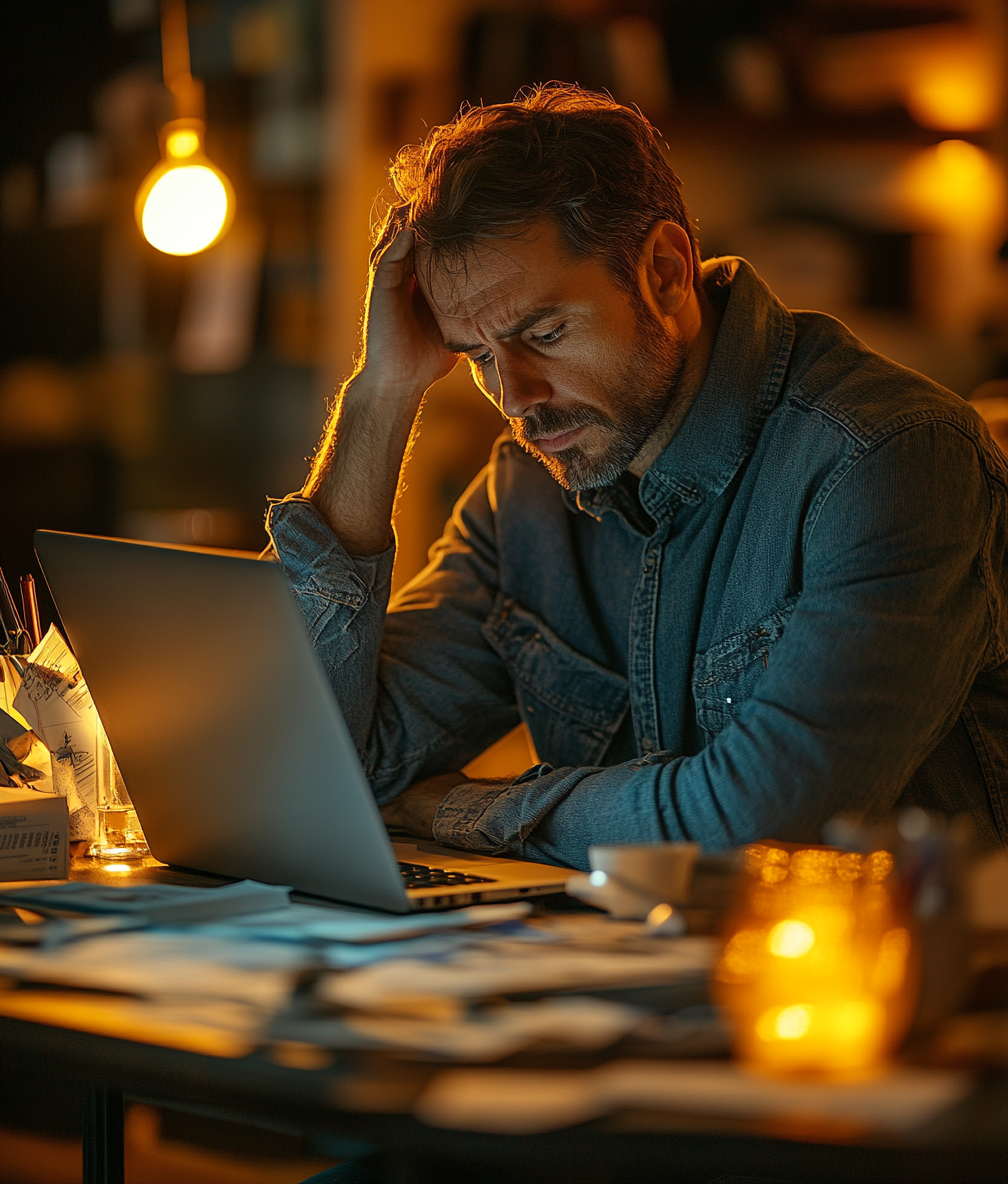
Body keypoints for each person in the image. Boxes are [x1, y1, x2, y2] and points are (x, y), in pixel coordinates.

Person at [266, 85, 1008, 868]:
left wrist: (467, 809)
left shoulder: (888, 459)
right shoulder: (521, 495)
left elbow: (760, 823)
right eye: (479, 358)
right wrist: (382, 391)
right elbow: (300, 764)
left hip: (878, 984)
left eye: (545, 333)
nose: (516, 400)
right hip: (613, 973)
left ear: (663, 271)